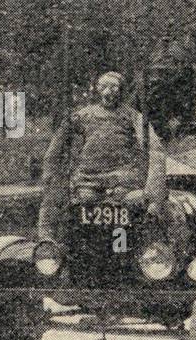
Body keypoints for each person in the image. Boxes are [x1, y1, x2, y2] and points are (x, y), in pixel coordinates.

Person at [37, 70, 167, 241]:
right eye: (104, 86)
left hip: (123, 183)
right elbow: (57, 147)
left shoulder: (132, 116)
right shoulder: (84, 115)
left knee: (148, 209)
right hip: (88, 183)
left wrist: (154, 188)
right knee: (57, 207)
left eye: (114, 87)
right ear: (98, 90)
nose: (109, 91)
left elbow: (155, 150)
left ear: (121, 91)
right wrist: (50, 176)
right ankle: (47, 248)